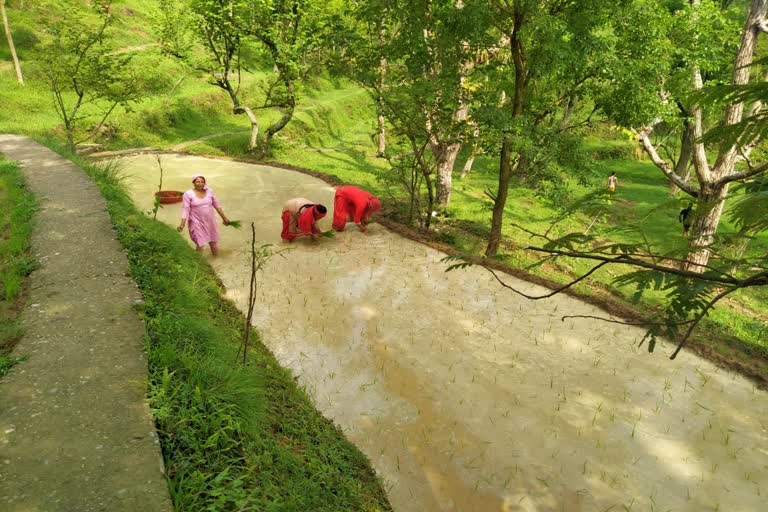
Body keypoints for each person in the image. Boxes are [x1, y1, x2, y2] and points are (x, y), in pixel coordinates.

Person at [177, 174, 230, 256]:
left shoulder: (210, 191)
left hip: (210, 221)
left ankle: (216, 260)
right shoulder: (188, 194)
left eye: (202, 182)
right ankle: (198, 264)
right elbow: (185, 209)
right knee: (200, 244)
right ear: (193, 183)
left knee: (213, 243)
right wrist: (182, 224)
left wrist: (224, 218)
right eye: (197, 182)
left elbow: (217, 206)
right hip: (196, 222)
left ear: (204, 183)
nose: (200, 183)